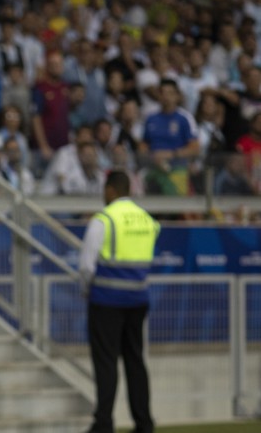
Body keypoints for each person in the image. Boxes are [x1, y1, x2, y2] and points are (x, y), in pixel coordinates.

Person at [78, 171, 159, 433]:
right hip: (138, 299)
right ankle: (144, 422)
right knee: (135, 361)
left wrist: (86, 291)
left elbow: (87, 266)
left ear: (111, 190)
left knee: (106, 362)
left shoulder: (104, 219)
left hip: (106, 300)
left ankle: (103, 423)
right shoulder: (147, 220)